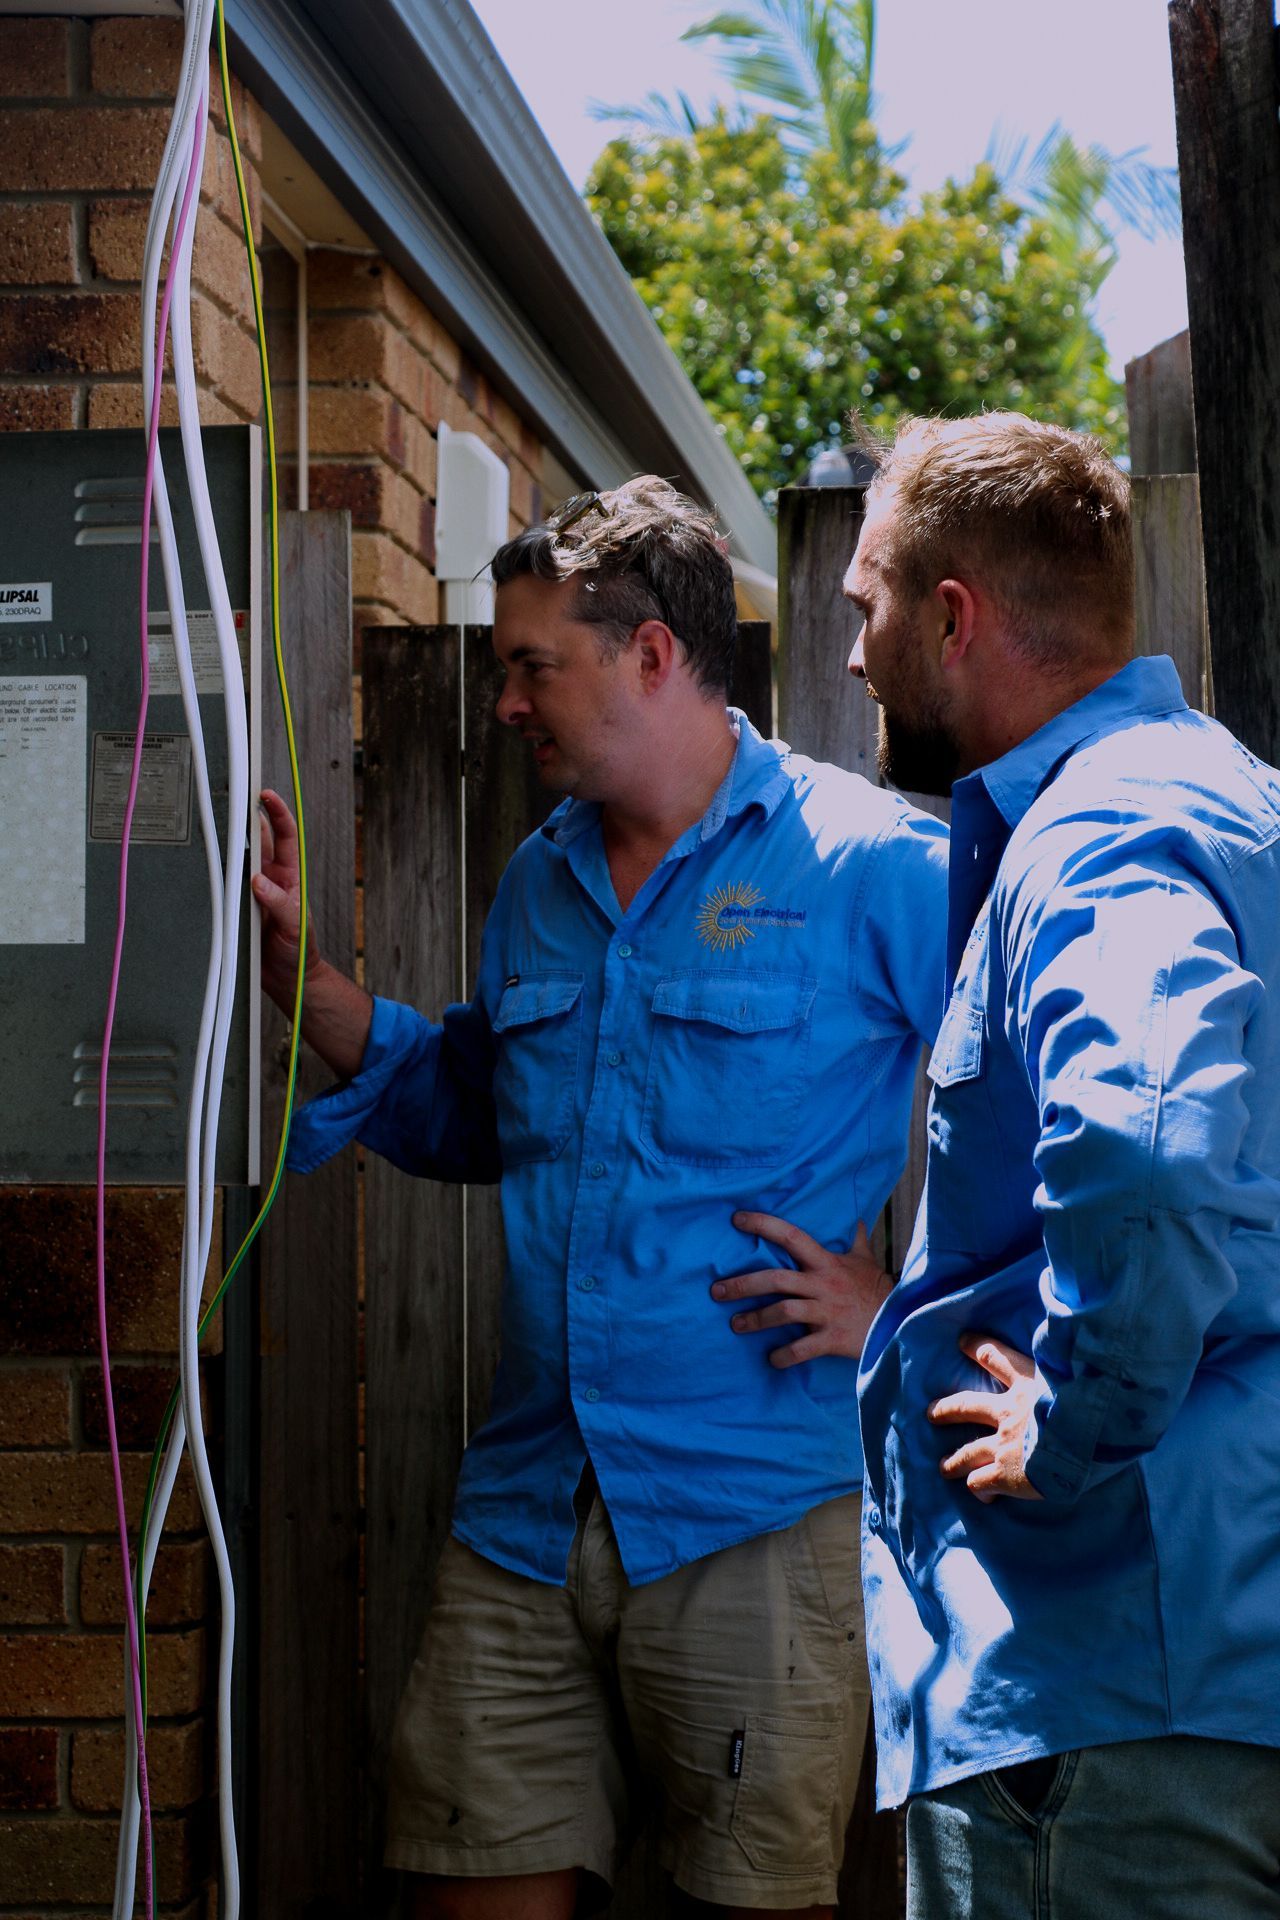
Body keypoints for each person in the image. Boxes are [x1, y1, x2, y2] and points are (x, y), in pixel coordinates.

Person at [253, 476, 949, 1920]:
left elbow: (1064, 1119)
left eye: (531, 665)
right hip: (521, 1520)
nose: (507, 701)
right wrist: (308, 985)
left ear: (648, 656)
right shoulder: (537, 885)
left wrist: (913, 1307)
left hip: (748, 1531)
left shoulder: (874, 865)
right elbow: (482, 1110)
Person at [816, 411, 1280, 1918]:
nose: (852, 659)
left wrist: (1074, 1425)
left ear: (951, 619)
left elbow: (1146, 1152)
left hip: (1106, 1705)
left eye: (866, 608)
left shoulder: (1098, 832)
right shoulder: (1236, 806)